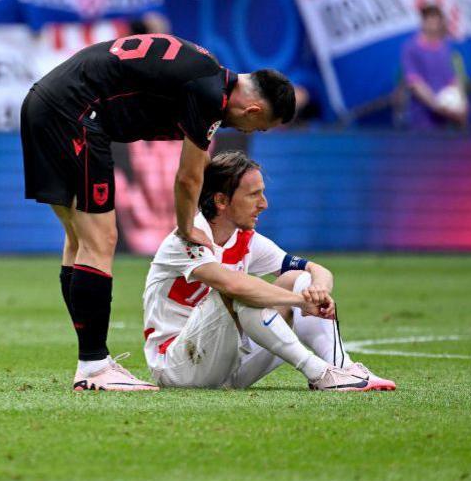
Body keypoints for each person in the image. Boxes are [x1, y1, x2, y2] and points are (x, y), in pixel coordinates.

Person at [20, 33, 296, 391]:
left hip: (45, 101)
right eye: (256, 127)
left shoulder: (204, 67)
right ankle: (94, 366)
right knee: (101, 239)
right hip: (76, 114)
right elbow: (188, 178)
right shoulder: (211, 93)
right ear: (253, 110)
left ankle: (92, 360)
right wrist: (186, 228)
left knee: (79, 239)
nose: (248, 130)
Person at [142, 151, 396, 391]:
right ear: (221, 200)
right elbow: (235, 287)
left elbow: (316, 269)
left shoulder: (245, 238)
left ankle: (345, 369)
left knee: (299, 279)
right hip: (178, 367)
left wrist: (318, 290)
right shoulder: (187, 239)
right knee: (241, 290)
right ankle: (320, 373)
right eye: (253, 195)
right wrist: (301, 302)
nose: (264, 204)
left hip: (230, 365)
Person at [400, 5, 468, 130]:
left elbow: (454, 79)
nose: (433, 24)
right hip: (422, 119)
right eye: (429, 19)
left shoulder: (446, 47)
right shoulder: (411, 48)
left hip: (446, 122)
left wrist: (461, 105)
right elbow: (415, 83)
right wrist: (437, 106)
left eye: (436, 20)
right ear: (423, 22)